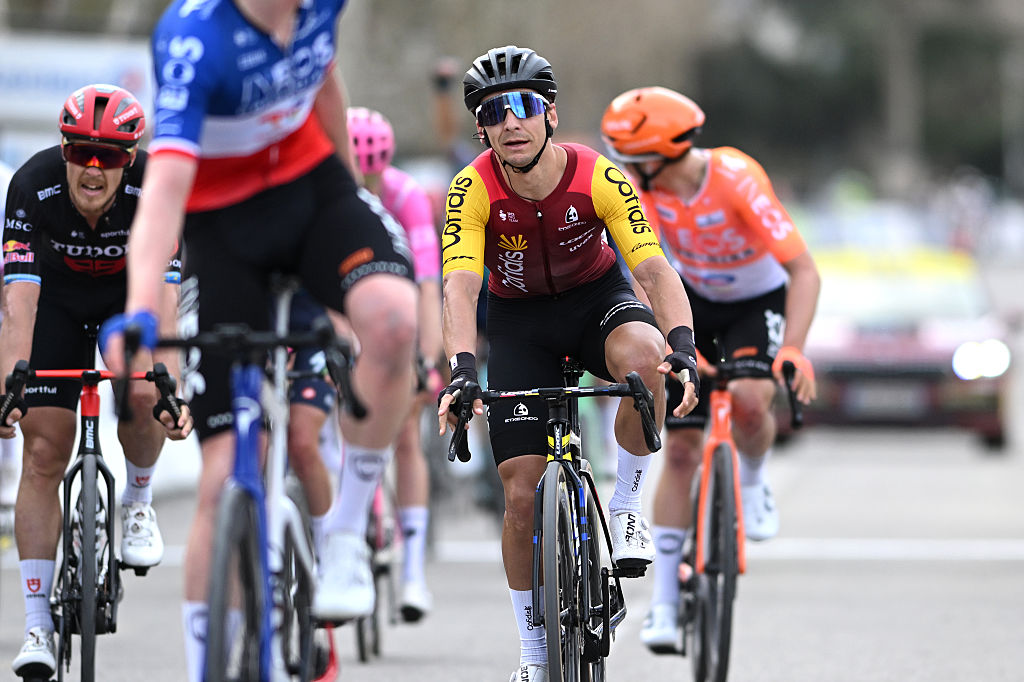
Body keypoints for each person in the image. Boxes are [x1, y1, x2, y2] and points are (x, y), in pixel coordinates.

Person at [96, 2, 419, 680]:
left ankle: (345, 541)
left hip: (311, 188)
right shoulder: (194, 40)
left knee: (393, 321)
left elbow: (323, 76)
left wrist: (350, 192)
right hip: (223, 221)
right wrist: (138, 314)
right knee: (219, 478)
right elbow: (163, 191)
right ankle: (204, 665)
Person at [436, 46, 700, 682]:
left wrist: (683, 347)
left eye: (524, 107)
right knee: (520, 493)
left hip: (594, 304)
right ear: (481, 127)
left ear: (549, 114)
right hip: (519, 322)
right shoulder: (471, 189)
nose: (511, 122)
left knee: (642, 358)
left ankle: (628, 503)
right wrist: (463, 368)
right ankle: (531, 646)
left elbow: (654, 269)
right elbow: (459, 288)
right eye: (494, 112)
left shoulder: (599, 176)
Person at [600, 85, 820, 652]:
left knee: (749, 399)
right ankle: (667, 607)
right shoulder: (641, 195)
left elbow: (804, 273)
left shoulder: (735, 177)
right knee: (678, 451)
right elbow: (645, 275)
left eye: (634, 155)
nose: (627, 166)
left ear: (664, 152)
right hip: (693, 306)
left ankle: (752, 482)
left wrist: (792, 349)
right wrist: (675, 342)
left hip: (754, 305)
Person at [0, 83, 192, 679]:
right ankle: (36, 623)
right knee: (42, 452)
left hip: (126, 302)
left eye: (109, 155)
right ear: (63, 148)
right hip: (53, 304)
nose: (93, 165)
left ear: (130, 159)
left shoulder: (153, 191)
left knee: (141, 387)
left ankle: (137, 498)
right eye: (81, 150)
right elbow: (18, 307)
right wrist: (10, 386)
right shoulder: (33, 187)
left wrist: (171, 391)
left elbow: (162, 306)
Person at [331, 106, 443, 621]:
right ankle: (350, 525)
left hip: (399, 308)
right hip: (348, 306)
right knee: (339, 413)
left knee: (405, 433)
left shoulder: (407, 197)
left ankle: (414, 571)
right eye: (360, 172)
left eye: (374, 173)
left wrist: (428, 359)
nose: (368, 184)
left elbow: (427, 284)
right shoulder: (330, 193)